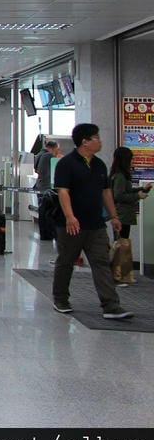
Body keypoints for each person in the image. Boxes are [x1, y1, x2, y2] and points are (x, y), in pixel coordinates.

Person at [51, 123, 132, 320]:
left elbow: (106, 192)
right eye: (96, 138)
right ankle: (60, 299)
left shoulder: (99, 165)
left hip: (95, 224)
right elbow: (63, 192)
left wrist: (114, 216)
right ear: (85, 142)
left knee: (101, 263)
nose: (100, 142)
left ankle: (111, 305)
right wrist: (70, 217)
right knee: (66, 261)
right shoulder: (66, 164)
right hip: (71, 224)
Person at [108, 146, 149, 285]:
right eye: (130, 159)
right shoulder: (120, 176)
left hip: (123, 213)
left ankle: (122, 275)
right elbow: (118, 196)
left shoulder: (119, 175)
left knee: (122, 243)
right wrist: (137, 195)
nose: (132, 162)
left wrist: (141, 189)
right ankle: (117, 276)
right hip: (121, 214)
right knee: (120, 244)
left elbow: (126, 191)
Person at [34, 138, 62, 241]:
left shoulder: (39, 155)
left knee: (42, 211)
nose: (57, 151)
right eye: (57, 149)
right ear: (53, 148)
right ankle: (49, 233)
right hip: (47, 188)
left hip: (40, 186)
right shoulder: (49, 156)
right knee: (49, 212)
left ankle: (44, 234)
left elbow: (36, 170)